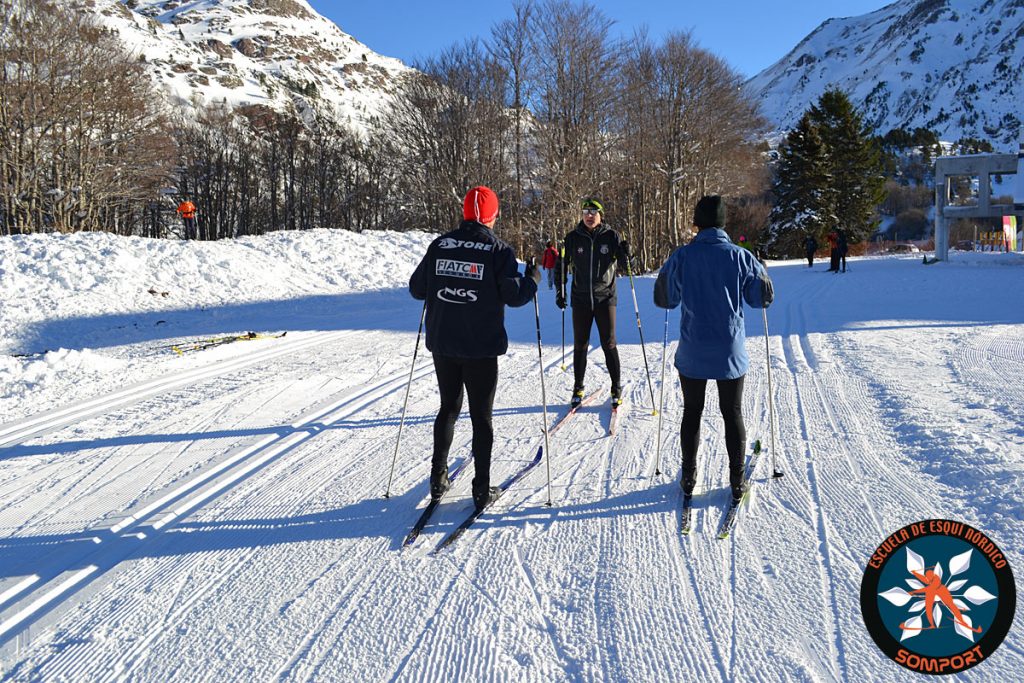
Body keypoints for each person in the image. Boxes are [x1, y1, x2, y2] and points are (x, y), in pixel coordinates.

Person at [409, 186, 540, 511]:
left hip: (444, 343)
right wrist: (533, 279)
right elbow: (515, 296)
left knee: (448, 409)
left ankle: (438, 477)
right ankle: (481, 488)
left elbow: (416, 289)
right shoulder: (498, 250)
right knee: (481, 417)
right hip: (480, 347)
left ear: (466, 213)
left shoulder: (440, 245)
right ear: (492, 215)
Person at [653, 195, 774, 504]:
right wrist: (760, 270)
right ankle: (736, 480)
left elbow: (665, 300)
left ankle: (689, 476)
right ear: (723, 222)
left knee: (692, 412)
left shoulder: (682, 256)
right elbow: (760, 300)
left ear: (697, 222)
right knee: (731, 412)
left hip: (693, 348)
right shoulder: (741, 256)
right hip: (729, 351)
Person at [554, 197, 630, 408]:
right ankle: (578, 387)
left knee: (609, 343)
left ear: (600, 215)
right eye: (585, 212)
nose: (589, 216)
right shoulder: (572, 238)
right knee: (580, 344)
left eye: (593, 212)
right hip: (580, 299)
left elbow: (626, 265)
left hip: (605, 297)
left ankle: (616, 387)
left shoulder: (611, 236)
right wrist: (560, 292)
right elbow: (561, 266)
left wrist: (626, 253)